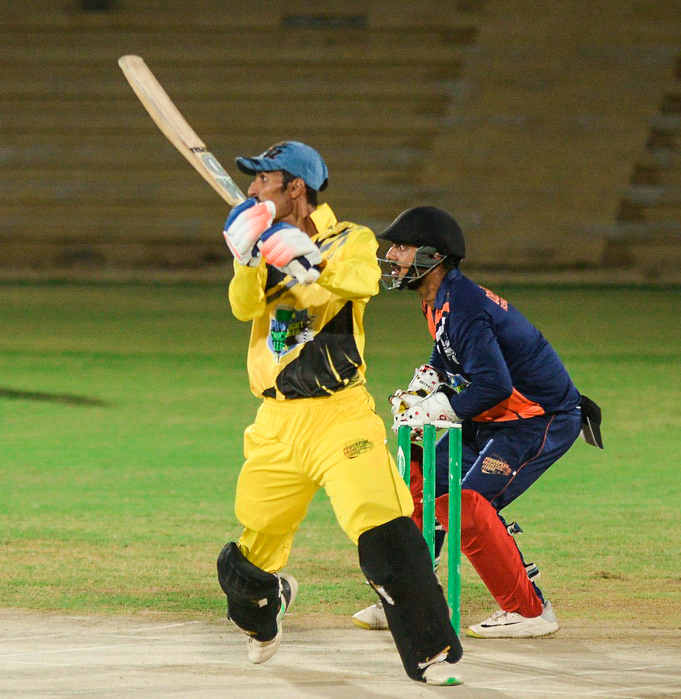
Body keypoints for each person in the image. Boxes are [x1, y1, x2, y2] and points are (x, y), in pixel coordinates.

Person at [215, 142, 463, 685]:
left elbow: (364, 281)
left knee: (382, 527)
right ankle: (271, 601)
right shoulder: (260, 241)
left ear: (295, 187)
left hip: (339, 415)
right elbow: (244, 307)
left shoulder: (352, 238)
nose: (252, 189)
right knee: (245, 562)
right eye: (252, 180)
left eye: (263, 179)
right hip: (275, 424)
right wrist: (247, 260)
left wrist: (311, 259)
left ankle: (431, 651)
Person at [352, 206, 602, 638]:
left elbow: (495, 386)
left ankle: (529, 611)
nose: (391, 255)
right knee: (421, 474)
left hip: (537, 418)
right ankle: (413, 595)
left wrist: (441, 408)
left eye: (402, 247)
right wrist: (426, 382)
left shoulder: (465, 305)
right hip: (496, 417)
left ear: (433, 256)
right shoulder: (439, 298)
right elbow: (447, 352)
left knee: (465, 504)